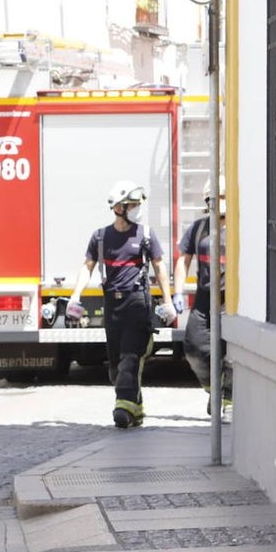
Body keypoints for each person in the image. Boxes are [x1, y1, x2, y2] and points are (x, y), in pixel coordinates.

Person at [67, 180, 176, 429]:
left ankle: (122, 408)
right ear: (119, 207)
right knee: (116, 365)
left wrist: (168, 302)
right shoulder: (101, 237)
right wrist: (75, 296)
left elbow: (159, 266)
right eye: (133, 204)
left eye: (138, 204)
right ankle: (134, 408)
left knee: (130, 356)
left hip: (137, 303)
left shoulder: (145, 235)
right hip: (112, 305)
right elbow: (88, 267)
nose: (137, 208)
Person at [172, 181, 224, 415]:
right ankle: (214, 388)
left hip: (230, 299)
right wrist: (178, 291)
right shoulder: (199, 228)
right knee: (194, 345)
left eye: (222, 196)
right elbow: (184, 260)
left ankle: (228, 395)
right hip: (205, 297)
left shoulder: (239, 226)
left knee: (227, 349)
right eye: (213, 198)